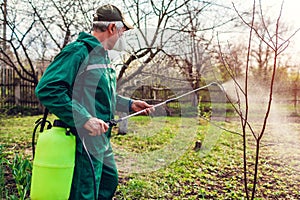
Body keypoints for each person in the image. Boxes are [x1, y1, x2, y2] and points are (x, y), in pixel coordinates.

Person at [35, 4, 153, 200]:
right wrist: (83, 119)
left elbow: (101, 96)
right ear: (112, 28)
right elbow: (48, 89)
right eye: (122, 31)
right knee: (85, 193)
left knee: (108, 181)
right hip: (82, 140)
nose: (122, 36)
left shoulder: (103, 58)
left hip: (101, 140)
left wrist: (130, 104)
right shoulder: (78, 51)